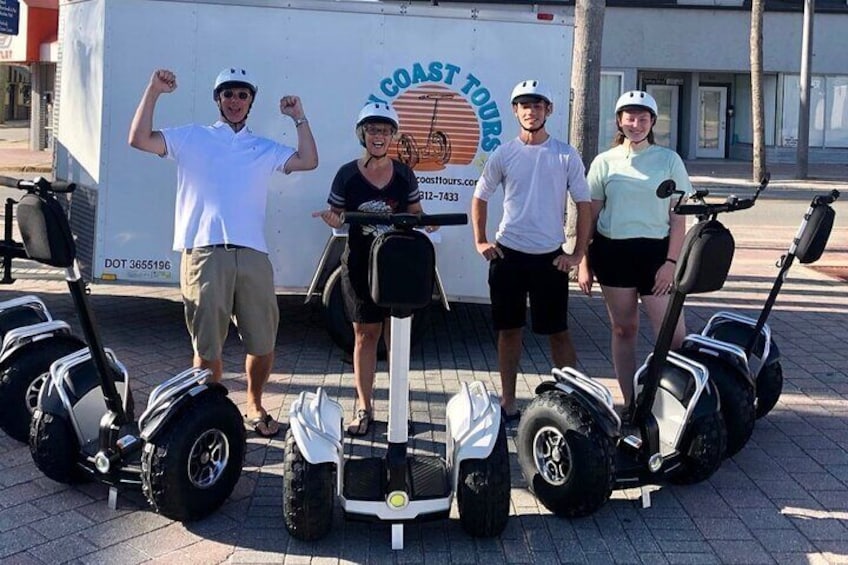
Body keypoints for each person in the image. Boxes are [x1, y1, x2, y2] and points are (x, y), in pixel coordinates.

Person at [128, 67, 318, 437]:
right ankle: (210, 415)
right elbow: (138, 139)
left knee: (263, 344)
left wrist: (299, 117)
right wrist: (152, 91)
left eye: (242, 95)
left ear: (250, 102)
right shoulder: (191, 138)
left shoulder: (262, 147)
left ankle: (255, 402)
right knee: (207, 349)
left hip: (252, 255)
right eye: (228, 94)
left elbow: (308, 160)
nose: (235, 101)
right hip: (204, 254)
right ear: (217, 99)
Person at [471, 79, 592, 423]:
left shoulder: (565, 154)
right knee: (509, 330)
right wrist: (481, 240)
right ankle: (508, 401)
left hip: (549, 258)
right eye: (524, 105)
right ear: (515, 111)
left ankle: (571, 398)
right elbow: (479, 197)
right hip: (508, 255)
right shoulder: (504, 153)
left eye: (537, 106)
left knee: (558, 331)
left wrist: (577, 253)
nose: (530, 111)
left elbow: (583, 205)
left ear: (548, 110)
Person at [313, 102, 431, 436]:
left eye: (384, 130)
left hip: (396, 266)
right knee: (366, 335)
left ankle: (397, 408)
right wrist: (331, 218)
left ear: (393, 135)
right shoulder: (347, 174)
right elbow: (336, 214)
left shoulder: (404, 174)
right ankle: (364, 407)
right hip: (360, 265)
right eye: (372, 130)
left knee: (397, 335)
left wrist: (425, 222)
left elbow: (416, 211)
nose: (378, 136)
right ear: (362, 134)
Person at [577, 90, 692, 410]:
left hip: (657, 255)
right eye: (630, 118)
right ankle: (630, 402)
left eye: (643, 118)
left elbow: (678, 218)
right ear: (619, 121)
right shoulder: (604, 162)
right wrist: (583, 261)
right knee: (623, 328)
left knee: (673, 334)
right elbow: (590, 216)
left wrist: (671, 262)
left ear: (653, 122)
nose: (636, 124)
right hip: (613, 254)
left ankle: (673, 402)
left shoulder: (669, 160)